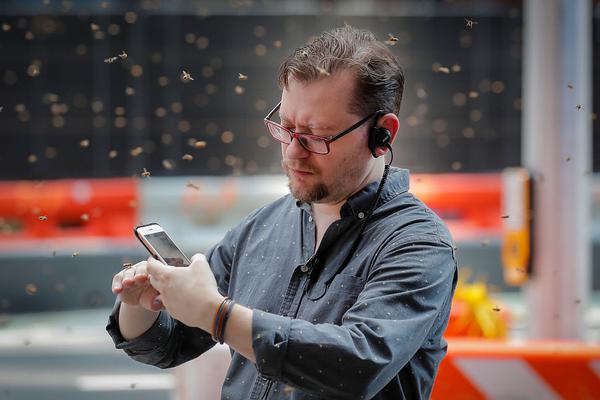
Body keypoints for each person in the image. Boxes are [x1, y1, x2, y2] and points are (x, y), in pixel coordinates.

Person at [107, 25, 457, 400]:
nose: (292, 151)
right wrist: (140, 304)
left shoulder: (418, 244)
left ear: (382, 134)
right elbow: (172, 343)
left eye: (315, 136)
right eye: (286, 128)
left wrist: (218, 315)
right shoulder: (262, 227)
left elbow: (359, 364)